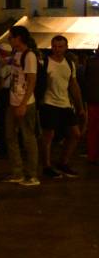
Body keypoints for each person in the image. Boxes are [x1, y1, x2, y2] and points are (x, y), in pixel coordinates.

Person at [38, 34, 85, 179]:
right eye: (54, 46)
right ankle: (46, 166)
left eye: (60, 46)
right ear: (51, 47)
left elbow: (73, 85)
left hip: (65, 104)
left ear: (66, 47)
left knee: (75, 134)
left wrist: (79, 106)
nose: (57, 49)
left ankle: (63, 163)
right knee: (48, 136)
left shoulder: (69, 64)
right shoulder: (44, 63)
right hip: (48, 103)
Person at [2, 26, 41, 186]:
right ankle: (17, 172)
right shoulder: (16, 54)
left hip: (25, 102)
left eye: (11, 37)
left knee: (28, 138)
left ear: (19, 38)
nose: (9, 40)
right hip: (13, 101)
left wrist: (23, 103)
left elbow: (32, 81)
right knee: (10, 136)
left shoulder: (29, 55)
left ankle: (32, 175)